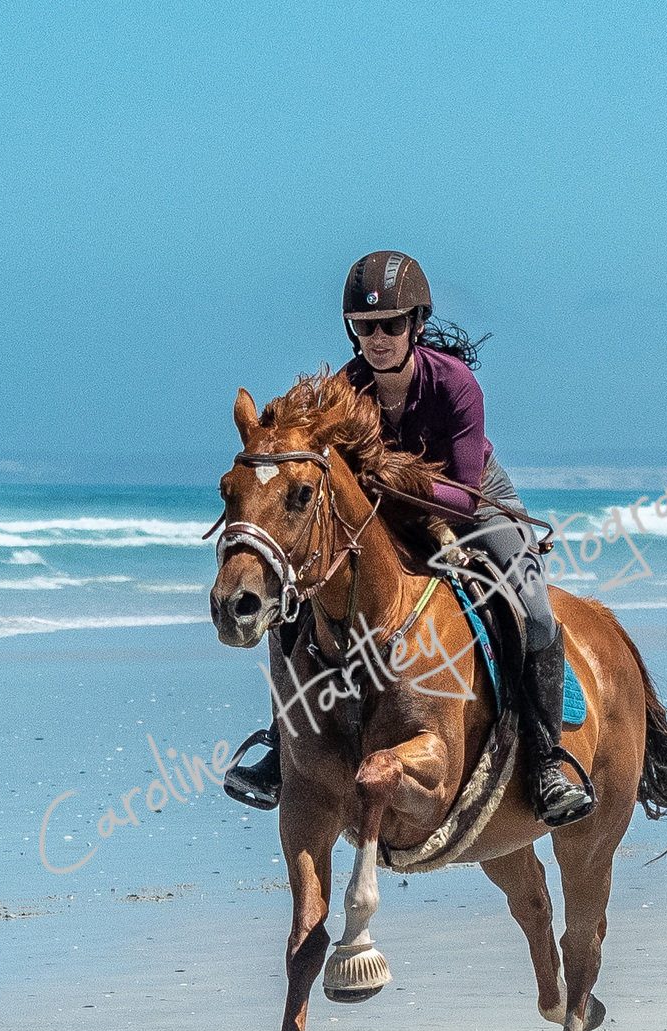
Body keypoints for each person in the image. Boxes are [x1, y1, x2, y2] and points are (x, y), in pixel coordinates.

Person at [223, 250, 596, 828]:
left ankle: (548, 760)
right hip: (384, 509)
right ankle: (281, 746)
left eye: (391, 326)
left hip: (471, 500)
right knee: (296, 599)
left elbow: (466, 494)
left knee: (536, 611)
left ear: (415, 325)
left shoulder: (455, 385)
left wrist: (390, 481)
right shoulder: (346, 391)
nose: (378, 338)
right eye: (366, 327)